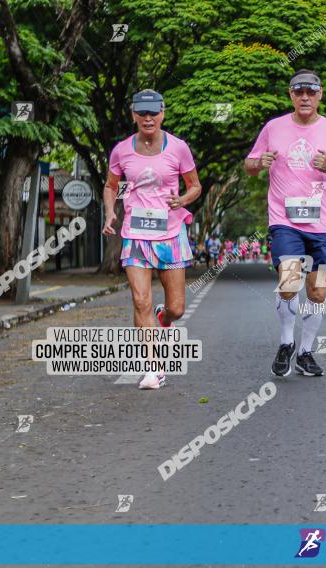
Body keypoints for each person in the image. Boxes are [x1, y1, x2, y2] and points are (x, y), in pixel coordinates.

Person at [245, 69, 326, 377]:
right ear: (291, 95)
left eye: (311, 91)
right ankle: (286, 343)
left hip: (322, 225)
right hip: (285, 221)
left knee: (318, 291)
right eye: (299, 92)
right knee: (288, 282)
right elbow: (249, 165)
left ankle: (306, 352)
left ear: (320, 94)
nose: (305, 97)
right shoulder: (273, 127)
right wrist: (260, 162)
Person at [102, 89, 202, 390]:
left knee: (177, 308)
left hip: (170, 233)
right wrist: (110, 213)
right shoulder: (121, 150)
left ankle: (163, 316)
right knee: (140, 300)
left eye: (153, 112)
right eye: (142, 113)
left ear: (163, 113)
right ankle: (152, 367)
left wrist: (181, 199)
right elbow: (110, 186)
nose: (148, 118)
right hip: (135, 234)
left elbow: (195, 186)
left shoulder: (179, 148)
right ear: (133, 115)